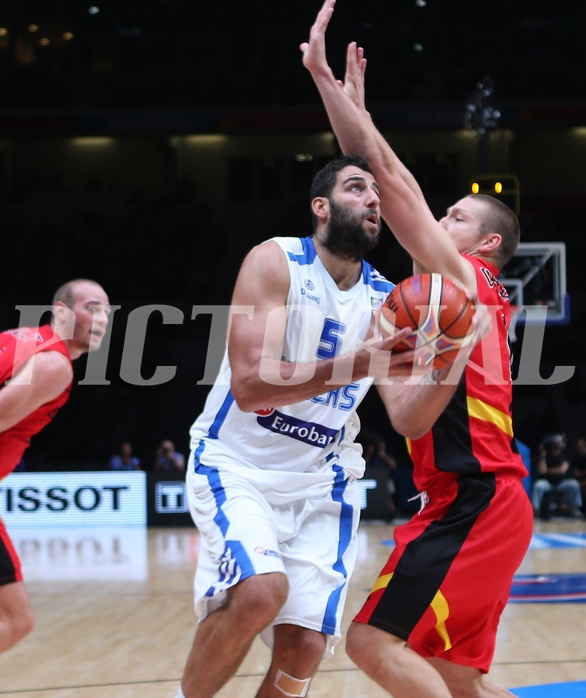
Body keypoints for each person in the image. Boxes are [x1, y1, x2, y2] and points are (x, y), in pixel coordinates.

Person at [301, 2, 533, 697]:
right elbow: (405, 420)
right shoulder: (441, 297)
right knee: (461, 684)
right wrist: (350, 113)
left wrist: (325, 84)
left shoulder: (469, 280)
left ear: (485, 244)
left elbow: (390, 180)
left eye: (456, 215)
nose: (439, 218)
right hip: (477, 497)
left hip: (476, 498)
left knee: (371, 640)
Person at [174, 154, 445, 698]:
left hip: (323, 479)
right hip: (238, 463)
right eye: (355, 189)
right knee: (258, 593)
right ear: (320, 207)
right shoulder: (276, 261)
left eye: (376, 194)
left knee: (305, 646)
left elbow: (406, 417)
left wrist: (446, 365)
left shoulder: (388, 301)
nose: (373, 200)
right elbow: (250, 387)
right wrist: (359, 365)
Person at [0, 278, 110, 654]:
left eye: (107, 311)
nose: (102, 318)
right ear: (61, 312)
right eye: (92, 307)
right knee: (16, 620)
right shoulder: (55, 364)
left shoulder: (23, 337)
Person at [532, 433, 582, 519]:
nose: (558, 444)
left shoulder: (565, 456)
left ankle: (575, 509)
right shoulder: (545, 456)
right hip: (547, 483)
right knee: (538, 485)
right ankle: (535, 510)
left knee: (574, 484)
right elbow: (542, 471)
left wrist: (548, 471)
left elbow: (562, 470)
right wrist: (543, 455)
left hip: (561, 483)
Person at [570, 436, 586, 515]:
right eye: (578, 446)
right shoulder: (576, 458)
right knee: (574, 486)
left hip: (584, 482)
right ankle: (577, 511)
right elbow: (575, 473)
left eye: (582, 446)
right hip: (579, 482)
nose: (580, 448)